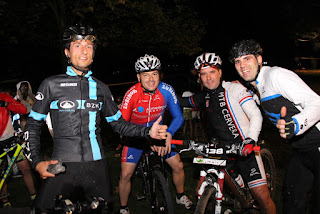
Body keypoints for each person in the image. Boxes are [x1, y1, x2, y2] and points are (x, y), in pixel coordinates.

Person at [24, 25, 168, 213]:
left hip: (97, 168)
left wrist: (147, 131)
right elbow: (33, 126)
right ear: (67, 52)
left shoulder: (101, 88)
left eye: (89, 46)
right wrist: (36, 162)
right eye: (77, 45)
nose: (84, 50)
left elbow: (118, 125)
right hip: (61, 167)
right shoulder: (51, 85)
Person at [230, 39, 320, 214]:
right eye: (237, 61)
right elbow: (258, 96)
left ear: (259, 59)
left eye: (247, 59)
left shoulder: (276, 76)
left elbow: (317, 102)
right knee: (292, 202)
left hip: (317, 144)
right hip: (300, 150)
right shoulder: (258, 84)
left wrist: (295, 124)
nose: (242, 65)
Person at [178, 53, 276, 214]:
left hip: (245, 148)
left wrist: (250, 140)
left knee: (262, 198)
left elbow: (255, 114)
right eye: (203, 74)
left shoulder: (235, 89)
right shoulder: (205, 96)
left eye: (212, 72)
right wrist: (160, 91)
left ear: (220, 73)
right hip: (222, 150)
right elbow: (181, 101)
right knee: (206, 190)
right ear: (200, 77)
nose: (208, 78)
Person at [118, 54, 194, 214]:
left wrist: (169, 134)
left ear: (160, 75)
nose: (151, 79)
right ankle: (123, 208)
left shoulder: (167, 90)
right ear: (139, 77)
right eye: (146, 75)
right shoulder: (132, 93)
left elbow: (178, 116)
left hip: (159, 133)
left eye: (154, 73)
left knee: (178, 165)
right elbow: (122, 124)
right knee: (126, 174)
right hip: (135, 136)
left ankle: (180, 196)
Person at [0, 87, 37, 207]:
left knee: (25, 168)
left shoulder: (4, 96)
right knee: (2, 174)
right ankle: (5, 200)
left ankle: (34, 196)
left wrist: (6, 104)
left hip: (10, 139)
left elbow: (22, 109)